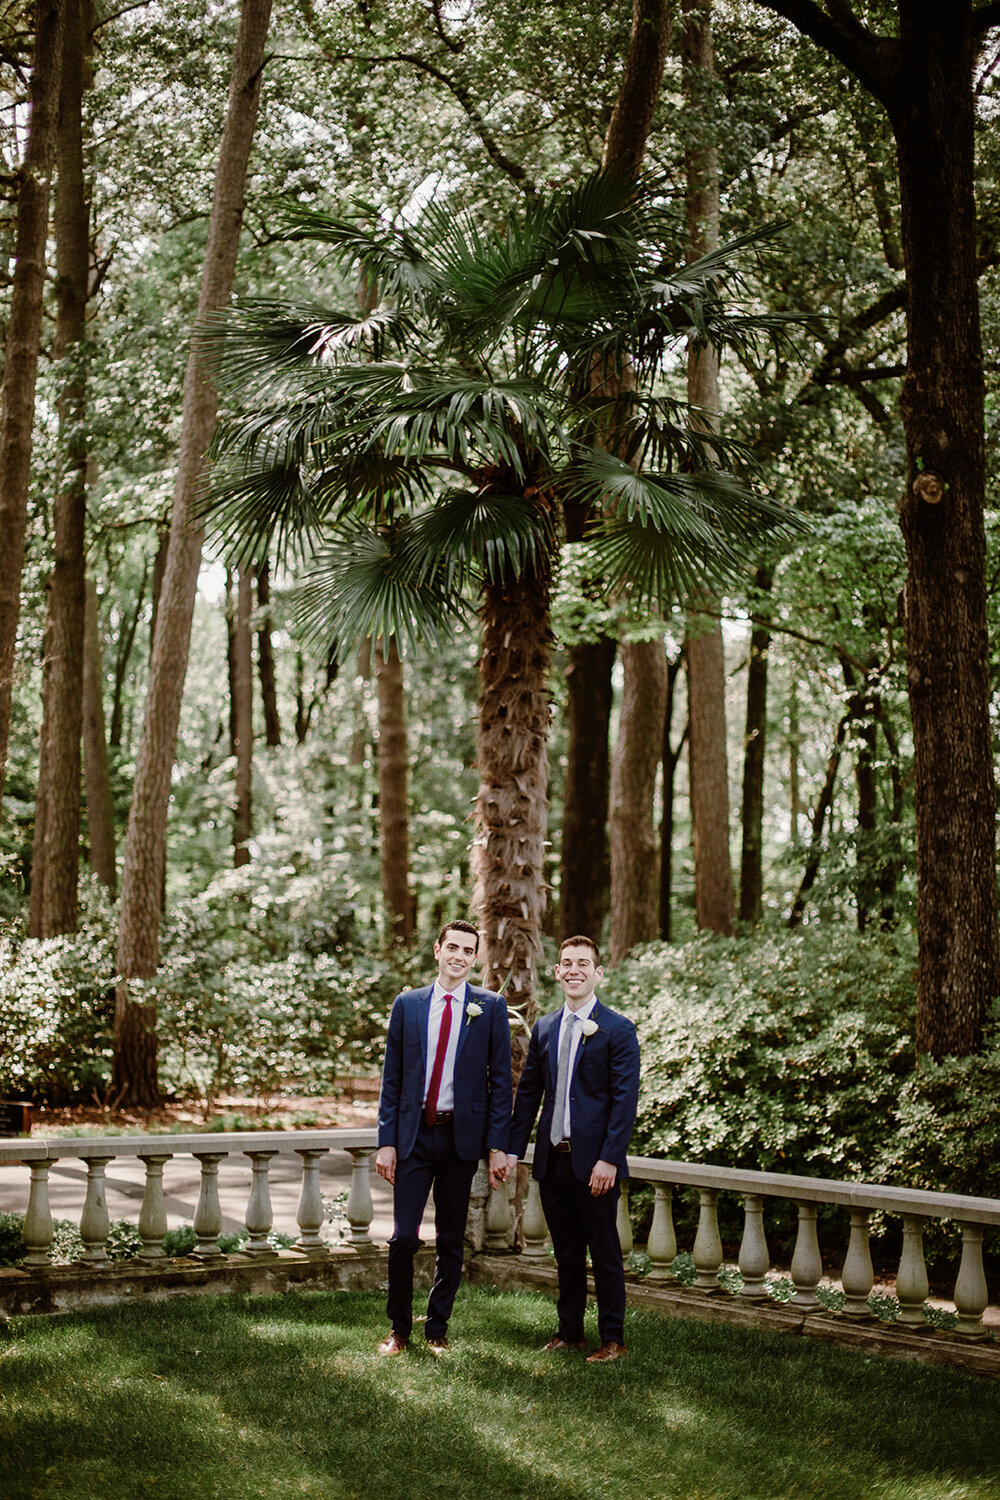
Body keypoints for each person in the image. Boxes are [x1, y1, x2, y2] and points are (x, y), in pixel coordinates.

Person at [375, 919, 512, 1354]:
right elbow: (392, 1079)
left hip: (460, 1140)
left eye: (468, 950)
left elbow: (501, 1084)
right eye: (452, 947)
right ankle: (398, 1329)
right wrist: (386, 1141)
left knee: (451, 1238)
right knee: (403, 1238)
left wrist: (496, 1147)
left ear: (476, 957)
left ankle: (437, 1329)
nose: (459, 956)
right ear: (437, 951)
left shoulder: (489, 1007)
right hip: (414, 1137)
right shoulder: (408, 1004)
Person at [507, 934, 640, 1363]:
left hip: (595, 1163)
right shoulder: (545, 1027)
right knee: (565, 1252)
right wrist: (512, 1151)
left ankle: (613, 1339)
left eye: (584, 963)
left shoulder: (618, 1029)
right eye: (567, 963)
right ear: (558, 971)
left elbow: (624, 1102)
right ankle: (570, 1332)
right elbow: (529, 1095)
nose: (574, 970)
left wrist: (609, 1159)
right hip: (553, 1160)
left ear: (598, 973)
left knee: (603, 1253)